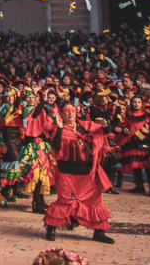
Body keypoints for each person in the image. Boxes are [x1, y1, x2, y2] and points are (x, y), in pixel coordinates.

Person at [43, 104, 113, 245]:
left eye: (73, 111)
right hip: (67, 173)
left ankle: (99, 233)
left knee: (94, 203)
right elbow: (55, 146)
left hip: (87, 173)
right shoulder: (58, 128)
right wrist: (60, 127)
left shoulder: (85, 125)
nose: (70, 114)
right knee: (64, 202)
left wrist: (105, 123)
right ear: (61, 114)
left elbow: (104, 131)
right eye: (67, 111)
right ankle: (51, 229)